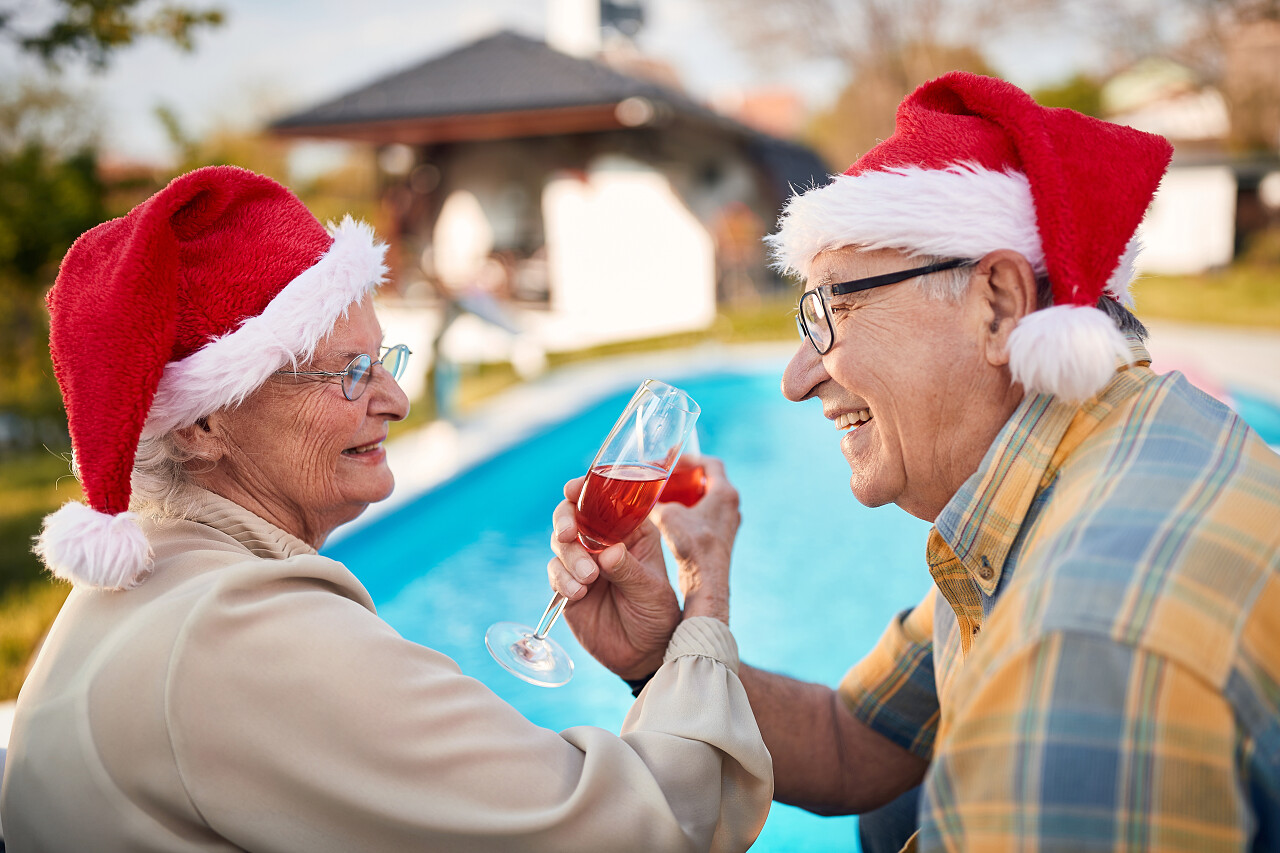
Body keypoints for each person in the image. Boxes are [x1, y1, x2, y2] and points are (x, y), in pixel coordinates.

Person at [548, 71, 1280, 851]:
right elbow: (851, 738)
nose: (798, 378)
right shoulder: (1080, 463)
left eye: (835, 307)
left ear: (997, 304)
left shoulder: (1080, 647)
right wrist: (668, 652)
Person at [0, 166, 771, 852]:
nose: (397, 400)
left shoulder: (161, 586)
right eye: (349, 374)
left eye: (384, 361)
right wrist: (704, 594)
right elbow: (653, 826)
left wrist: (649, 663)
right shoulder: (241, 631)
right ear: (204, 422)